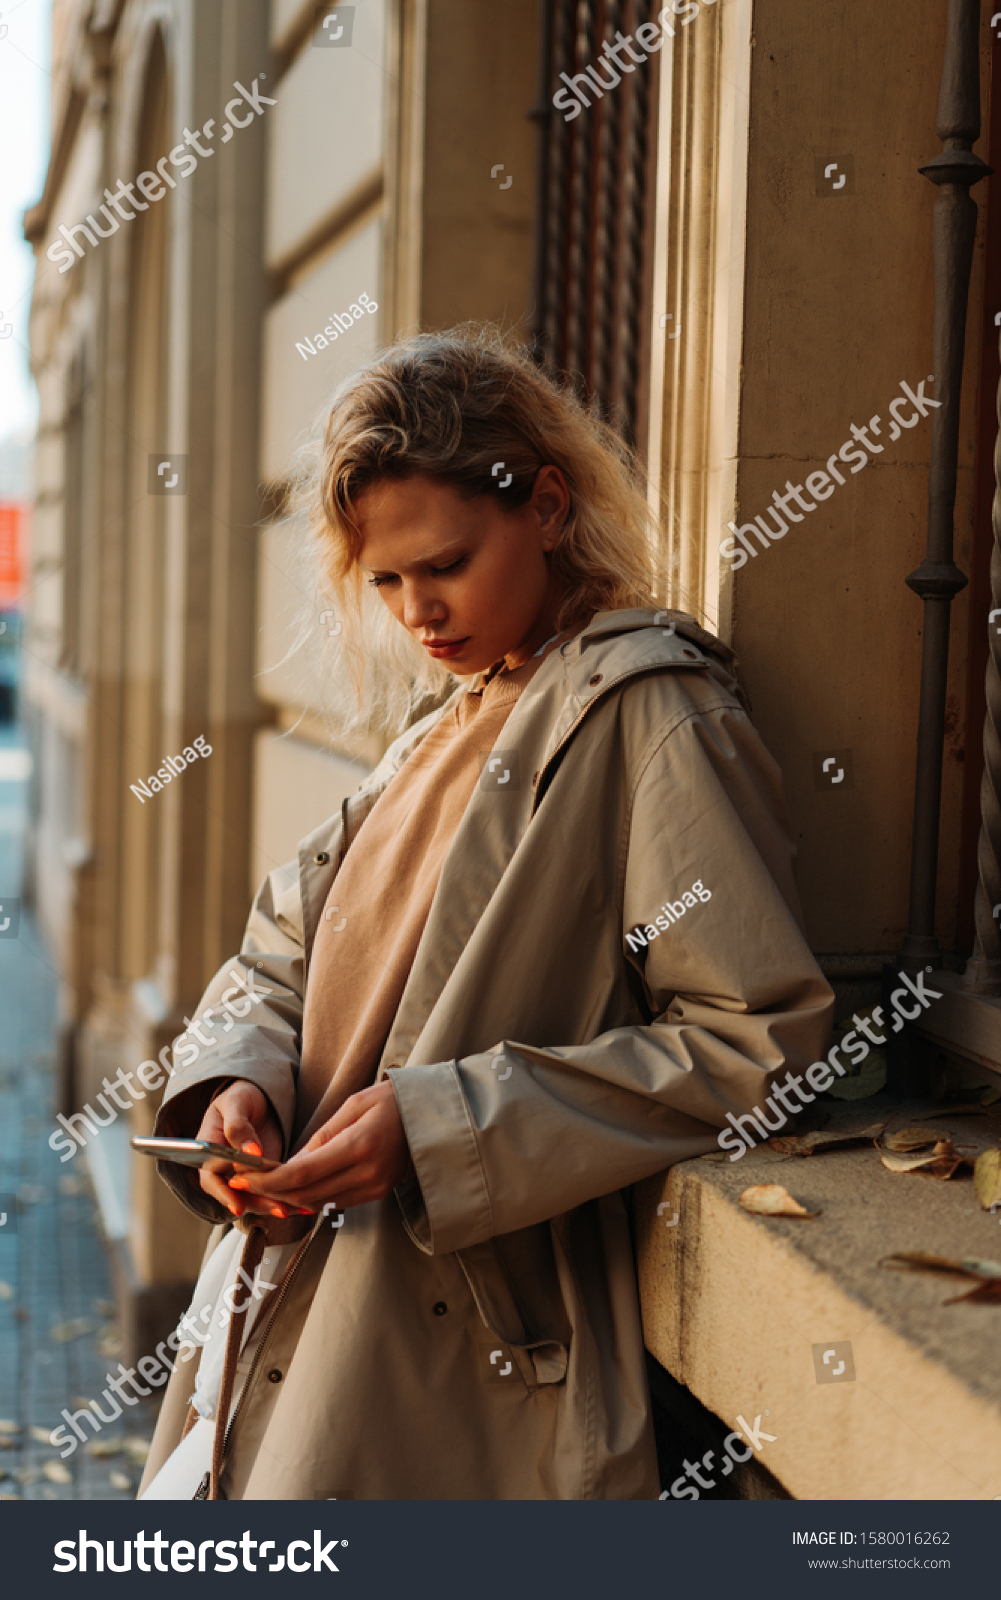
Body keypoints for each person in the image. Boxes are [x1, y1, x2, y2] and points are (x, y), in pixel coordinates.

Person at [138, 331, 833, 1502]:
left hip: (461, 1356)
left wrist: (437, 1126)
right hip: (303, 1313)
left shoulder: (649, 714)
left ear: (547, 507)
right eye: (386, 581)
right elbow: (279, 950)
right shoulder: (438, 725)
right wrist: (233, 1086)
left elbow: (752, 1040)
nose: (418, 609)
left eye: (445, 562)